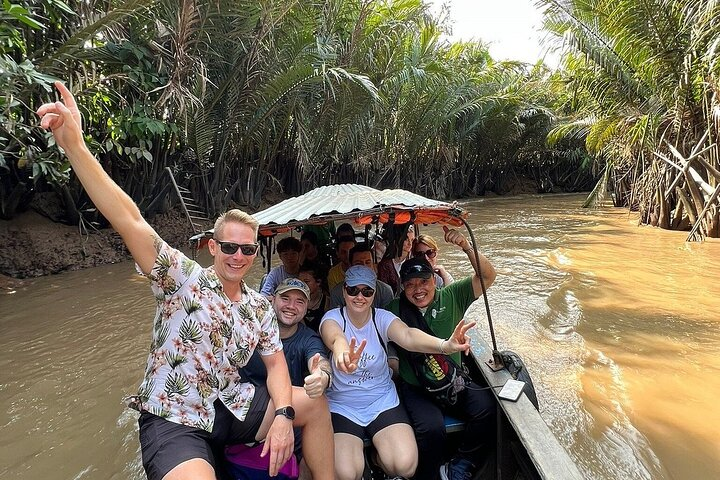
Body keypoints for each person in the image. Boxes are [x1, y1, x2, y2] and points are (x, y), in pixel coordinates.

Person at [37, 82, 334, 480]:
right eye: (229, 247)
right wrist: (75, 146)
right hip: (174, 417)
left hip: (232, 405)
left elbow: (277, 365)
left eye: (247, 250)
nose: (238, 256)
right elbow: (129, 219)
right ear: (212, 247)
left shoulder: (259, 307)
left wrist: (282, 415)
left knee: (314, 406)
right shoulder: (179, 277)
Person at [319, 266, 476, 480]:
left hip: (381, 400)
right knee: (345, 474)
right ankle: (362, 461)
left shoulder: (382, 318)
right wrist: (342, 353)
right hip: (343, 405)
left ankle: (375, 459)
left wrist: (444, 346)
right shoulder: (333, 317)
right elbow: (335, 337)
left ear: (374, 294)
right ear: (344, 291)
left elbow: (409, 336)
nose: (359, 297)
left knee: (405, 467)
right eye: (353, 290)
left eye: (367, 291)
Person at [386, 227, 497, 480]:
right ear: (402, 287)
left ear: (433, 281)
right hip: (416, 387)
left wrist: (467, 247)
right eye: (410, 285)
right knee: (431, 429)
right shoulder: (392, 310)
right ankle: (431, 475)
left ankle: (461, 464)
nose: (418, 290)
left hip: (452, 381)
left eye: (424, 282)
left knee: (487, 409)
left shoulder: (453, 296)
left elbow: (488, 276)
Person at [228, 278, 333, 480]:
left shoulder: (308, 338)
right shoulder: (250, 330)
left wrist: (322, 376)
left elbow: (319, 361)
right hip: (250, 414)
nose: (291, 306)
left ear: (307, 307)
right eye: (285, 298)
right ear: (272, 299)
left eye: (300, 301)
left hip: (293, 418)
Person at [329, 243, 393, 309]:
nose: (364, 266)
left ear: (373, 264)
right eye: (358, 263)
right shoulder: (337, 292)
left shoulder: (385, 291)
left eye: (368, 262)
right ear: (350, 265)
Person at [377, 224, 415, 295]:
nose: (410, 243)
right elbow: (383, 290)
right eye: (406, 240)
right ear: (397, 240)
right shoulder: (385, 265)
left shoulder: (414, 261)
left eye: (412, 240)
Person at [297, 261, 330, 332]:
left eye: (306, 281)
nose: (302, 285)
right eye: (300, 281)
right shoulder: (294, 302)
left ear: (318, 282)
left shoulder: (327, 302)